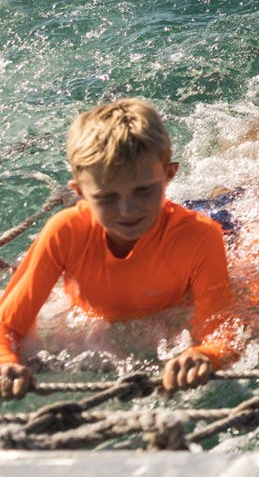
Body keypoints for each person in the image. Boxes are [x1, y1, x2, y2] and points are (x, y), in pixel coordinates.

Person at [0, 99, 239, 399]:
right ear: (80, 192)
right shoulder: (65, 232)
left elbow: (223, 332)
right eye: (107, 197)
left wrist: (205, 354)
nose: (127, 210)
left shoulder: (200, 236)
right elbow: (6, 326)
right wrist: (5, 362)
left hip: (218, 224)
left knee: (231, 200)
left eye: (143, 190)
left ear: (169, 175)